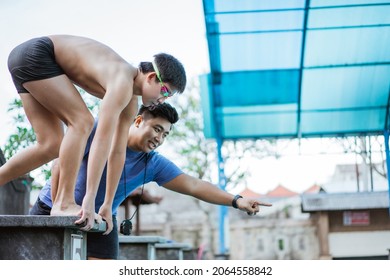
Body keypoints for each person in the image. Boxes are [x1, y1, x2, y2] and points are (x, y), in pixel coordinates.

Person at [30, 103, 272, 260]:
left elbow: (193, 185)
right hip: (52, 207)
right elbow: (60, 162)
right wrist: (59, 206)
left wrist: (236, 200)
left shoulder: (153, 163)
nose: (159, 138)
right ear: (137, 121)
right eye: (156, 129)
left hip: (102, 220)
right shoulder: (98, 131)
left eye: (165, 134)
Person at [1, 35, 186, 230]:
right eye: (165, 91)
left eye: (169, 96)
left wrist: (106, 204)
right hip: (38, 54)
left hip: (27, 59)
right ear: (151, 78)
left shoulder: (130, 101)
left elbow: (116, 152)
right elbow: (101, 141)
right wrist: (89, 199)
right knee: (82, 122)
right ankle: (64, 202)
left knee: (51, 145)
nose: (163, 99)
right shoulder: (122, 81)